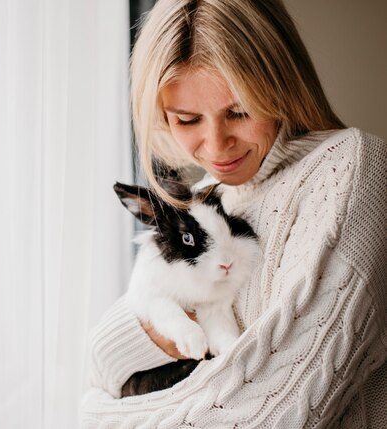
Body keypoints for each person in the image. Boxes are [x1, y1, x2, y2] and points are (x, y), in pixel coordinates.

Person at [80, 0, 387, 427]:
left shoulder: (350, 171)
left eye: (239, 111)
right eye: (187, 119)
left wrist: (98, 416)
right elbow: (98, 362)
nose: (216, 146)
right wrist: (156, 329)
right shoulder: (202, 203)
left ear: (282, 84)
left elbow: (271, 411)